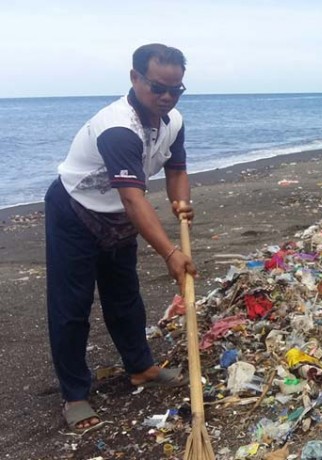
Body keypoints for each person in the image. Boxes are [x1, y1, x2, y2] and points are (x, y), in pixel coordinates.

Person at [44, 43, 197, 434]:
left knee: (124, 295)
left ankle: (140, 367)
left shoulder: (173, 121)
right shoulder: (118, 128)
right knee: (72, 304)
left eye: (175, 89)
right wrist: (170, 252)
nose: (165, 97)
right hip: (75, 211)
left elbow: (175, 168)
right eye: (157, 87)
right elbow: (133, 197)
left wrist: (181, 203)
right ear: (135, 78)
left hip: (117, 214)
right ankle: (75, 394)